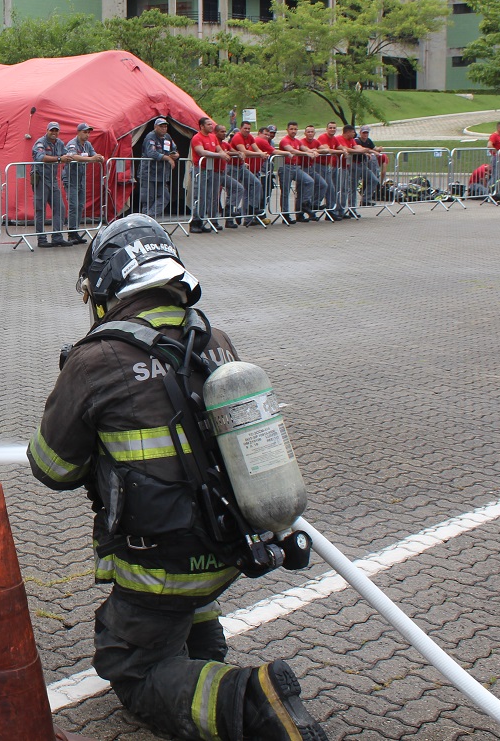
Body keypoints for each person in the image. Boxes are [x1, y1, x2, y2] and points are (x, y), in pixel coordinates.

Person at [28, 215, 327, 741]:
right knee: (181, 630)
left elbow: (53, 469)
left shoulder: (96, 359)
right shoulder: (215, 338)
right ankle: (202, 646)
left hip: (162, 567)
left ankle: (253, 700)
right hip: (231, 549)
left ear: (108, 288)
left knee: (130, 666)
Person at [33, 122, 73, 248]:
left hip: (53, 180)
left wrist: (88, 158)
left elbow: (68, 154)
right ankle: (41, 239)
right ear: (47, 130)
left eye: (56, 130)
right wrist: (60, 159)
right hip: (40, 179)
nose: (54, 133)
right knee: (41, 210)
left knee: (60, 208)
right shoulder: (40, 142)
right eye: (52, 130)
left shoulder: (60, 143)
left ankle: (57, 237)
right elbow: (41, 157)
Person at [63, 122, 103, 244]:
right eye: (84, 132)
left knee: (80, 205)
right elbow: (73, 156)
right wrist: (92, 159)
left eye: (88, 132)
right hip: (71, 178)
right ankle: (71, 232)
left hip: (81, 179)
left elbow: (94, 154)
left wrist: (99, 157)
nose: (87, 135)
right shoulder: (72, 144)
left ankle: (76, 231)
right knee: (73, 205)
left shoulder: (87, 145)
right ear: (78, 132)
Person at [276, 122, 317, 224]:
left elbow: (304, 148)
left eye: (295, 129)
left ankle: (304, 204)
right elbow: (292, 151)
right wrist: (307, 153)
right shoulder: (284, 141)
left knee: (309, 181)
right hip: (285, 167)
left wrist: (312, 151)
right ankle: (285, 215)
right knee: (285, 192)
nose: (293, 131)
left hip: (296, 167)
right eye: (291, 129)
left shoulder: (297, 141)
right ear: (287, 130)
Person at [225, 119, 265, 226]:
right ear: (241, 128)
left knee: (256, 183)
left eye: (249, 129)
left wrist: (262, 153)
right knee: (233, 191)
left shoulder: (250, 137)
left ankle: (252, 208)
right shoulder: (237, 137)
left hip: (241, 166)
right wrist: (260, 155)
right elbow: (244, 151)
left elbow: (256, 148)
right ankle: (229, 218)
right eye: (245, 128)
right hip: (232, 167)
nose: (247, 130)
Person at [141, 117, 179, 220]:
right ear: (155, 127)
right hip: (148, 172)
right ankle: (144, 221)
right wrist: (167, 158)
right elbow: (151, 153)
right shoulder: (150, 137)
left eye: (165, 126)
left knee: (165, 196)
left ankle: (149, 217)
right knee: (149, 198)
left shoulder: (167, 137)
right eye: (161, 126)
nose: (164, 129)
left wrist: (175, 155)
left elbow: (174, 149)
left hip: (162, 173)